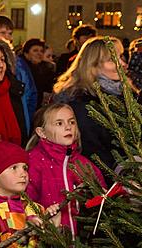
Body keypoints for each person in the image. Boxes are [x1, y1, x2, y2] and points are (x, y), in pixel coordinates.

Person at [26, 103, 105, 239]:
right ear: (42, 132)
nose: (68, 127)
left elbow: (102, 198)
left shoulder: (84, 164)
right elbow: (25, 202)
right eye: (59, 123)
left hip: (83, 243)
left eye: (72, 122)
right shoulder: (33, 162)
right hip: (47, 243)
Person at [52, 36, 128, 172]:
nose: (122, 63)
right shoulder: (80, 101)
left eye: (121, 57)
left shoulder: (125, 93)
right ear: (92, 65)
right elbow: (92, 151)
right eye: (112, 60)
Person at [0, 15, 37, 124]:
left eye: (10, 33)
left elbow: (30, 93)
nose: (8, 37)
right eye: (2, 33)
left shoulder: (19, 63)